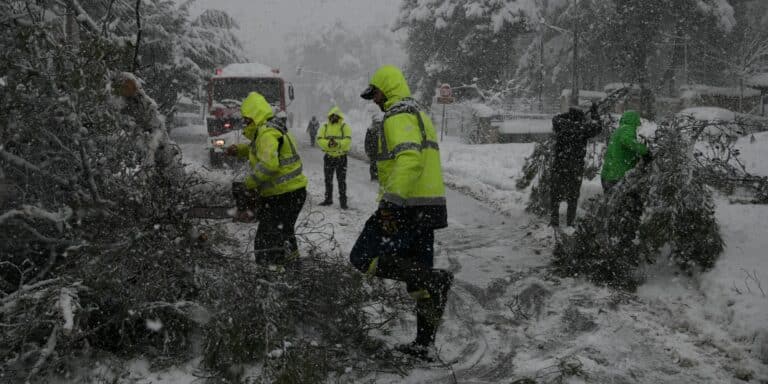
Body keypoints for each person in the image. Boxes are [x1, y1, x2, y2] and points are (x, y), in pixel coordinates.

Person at [352, 64, 453, 360]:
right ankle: (424, 345)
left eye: (376, 93)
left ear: (388, 90)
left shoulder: (397, 116)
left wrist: (390, 205)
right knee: (418, 283)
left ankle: (435, 279)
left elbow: (410, 160)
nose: (374, 100)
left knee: (361, 256)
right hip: (429, 207)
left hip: (406, 207)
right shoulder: (420, 114)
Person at [225, 92, 308, 266]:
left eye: (247, 120)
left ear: (256, 117)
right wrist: (240, 150)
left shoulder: (266, 133)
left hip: (284, 195)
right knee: (284, 234)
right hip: (293, 193)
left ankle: (271, 274)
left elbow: (269, 164)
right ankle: (292, 269)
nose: (245, 124)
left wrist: (248, 184)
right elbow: (260, 150)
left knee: (266, 241)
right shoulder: (271, 128)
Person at [549, 104, 602, 227]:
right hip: (575, 166)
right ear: (580, 118)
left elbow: (555, 118)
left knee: (555, 193)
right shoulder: (583, 128)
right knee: (573, 196)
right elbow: (598, 127)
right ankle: (570, 222)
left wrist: (567, 115)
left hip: (559, 164)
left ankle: (554, 221)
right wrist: (594, 113)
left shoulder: (560, 124)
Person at [600, 110, 649, 193]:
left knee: (610, 202)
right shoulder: (628, 128)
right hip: (617, 175)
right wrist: (645, 151)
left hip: (608, 174)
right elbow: (627, 141)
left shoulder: (619, 130)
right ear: (634, 120)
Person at [316, 107, 351, 209]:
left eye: (336, 116)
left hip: (341, 157)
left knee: (341, 181)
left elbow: (348, 140)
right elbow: (319, 139)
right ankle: (328, 199)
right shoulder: (324, 127)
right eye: (332, 116)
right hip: (328, 157)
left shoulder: (344, 127)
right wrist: (328, 144)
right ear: (330, 116)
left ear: (339, 117)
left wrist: (338, 144)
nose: (334, 117)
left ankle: (343, 202)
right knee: (328, 180)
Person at [364, 114, 382, 181]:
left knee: (381, 165)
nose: (378, 124)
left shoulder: (383, 129)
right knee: (373, 164)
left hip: (381, 150)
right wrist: (367, 150)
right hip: (373, 150)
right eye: (376, 122)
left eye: (379, 122)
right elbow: (367, 141)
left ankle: (380, 176)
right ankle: (374, 177)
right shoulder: (370, 129)